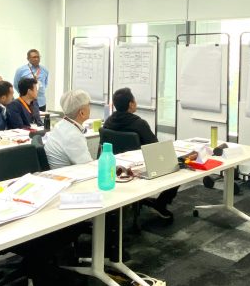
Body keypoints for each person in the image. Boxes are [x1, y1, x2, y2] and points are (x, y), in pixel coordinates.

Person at [104, 87, 177, 219]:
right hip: (138, 168)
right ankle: (160, 204)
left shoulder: (108, 122)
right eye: (135, 100)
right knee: (175, 167)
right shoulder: (139, 124)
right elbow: (155, 147)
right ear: (131, 104)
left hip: (115, 168)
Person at [44, 89, 93, 170]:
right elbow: (87, 167)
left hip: (58, 171)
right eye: (89, 105)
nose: (90, 108)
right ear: (82, 113)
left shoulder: (60, 125)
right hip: (68, 174)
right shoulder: (74, 136)